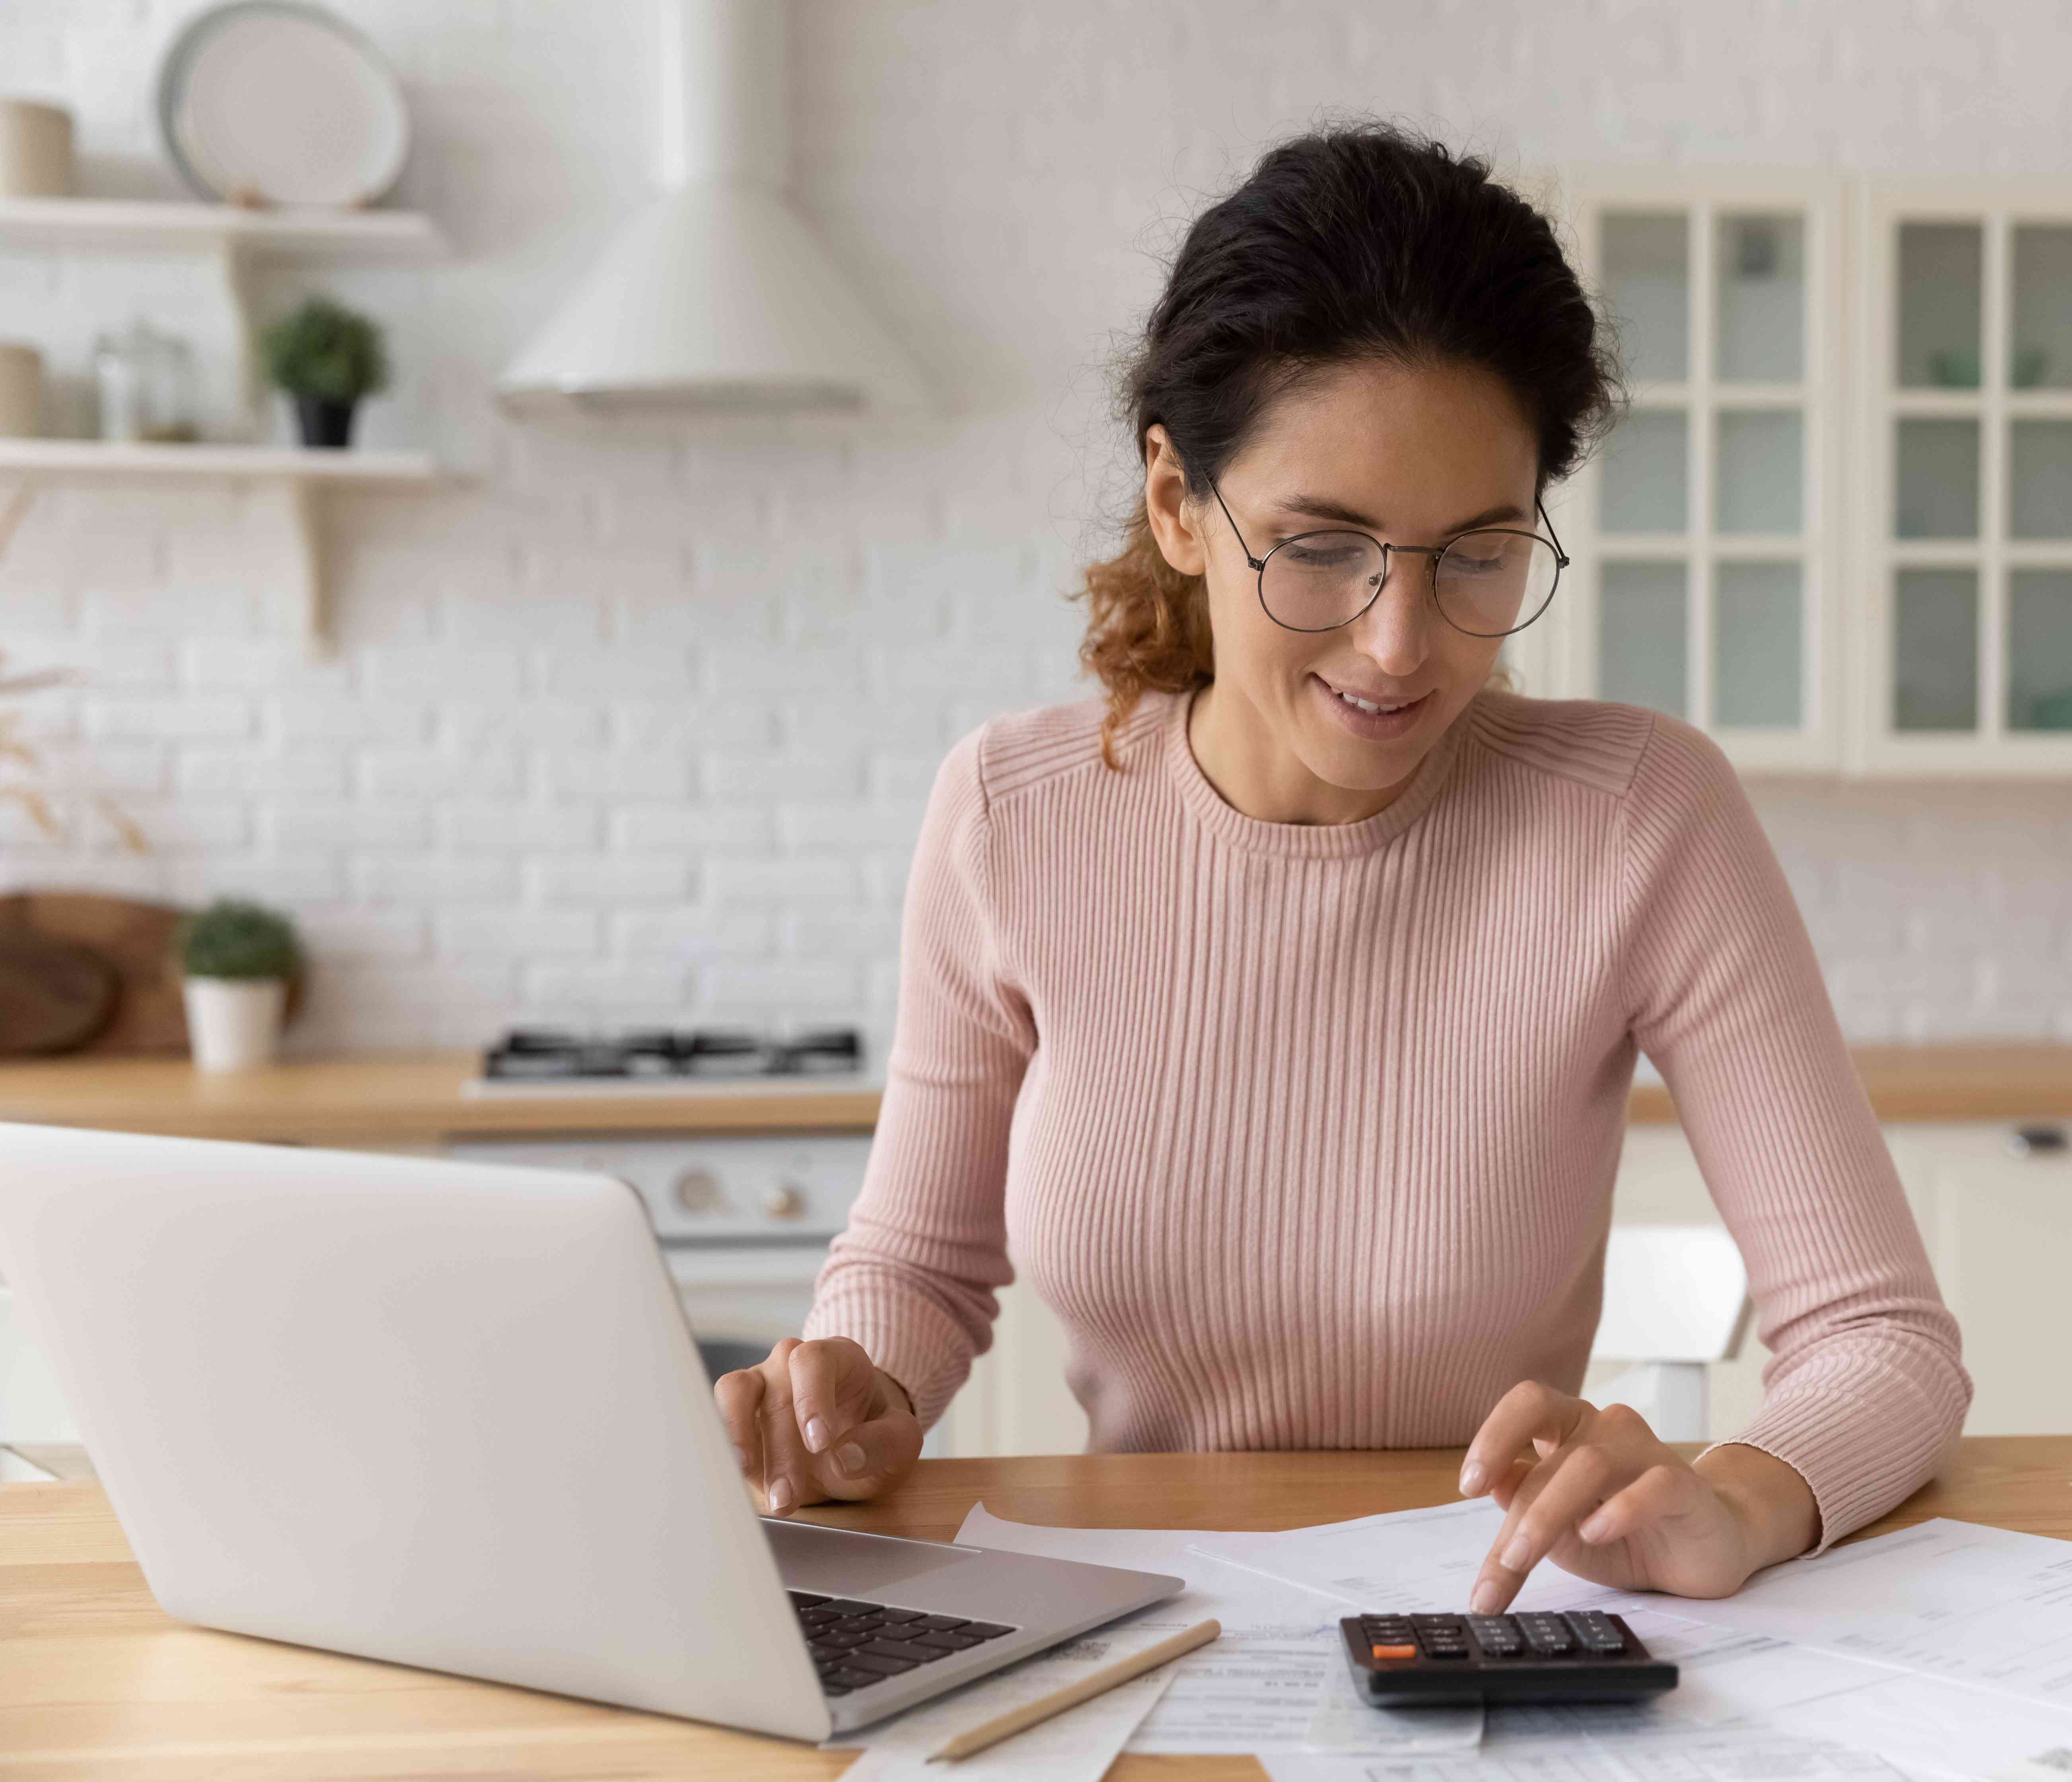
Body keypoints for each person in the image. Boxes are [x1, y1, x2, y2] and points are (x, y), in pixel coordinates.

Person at [718, 122, 1968, 1613]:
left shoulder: (1642, 813)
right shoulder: (1015, 810)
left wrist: (1737, 1506)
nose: (1400, 642)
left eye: (1479, 553)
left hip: (1494, 1617)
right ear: (1180, 505)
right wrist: (856, 1390)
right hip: (1140, 1614)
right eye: (1323, 547)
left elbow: (1884, 1340)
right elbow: (920, 1272)